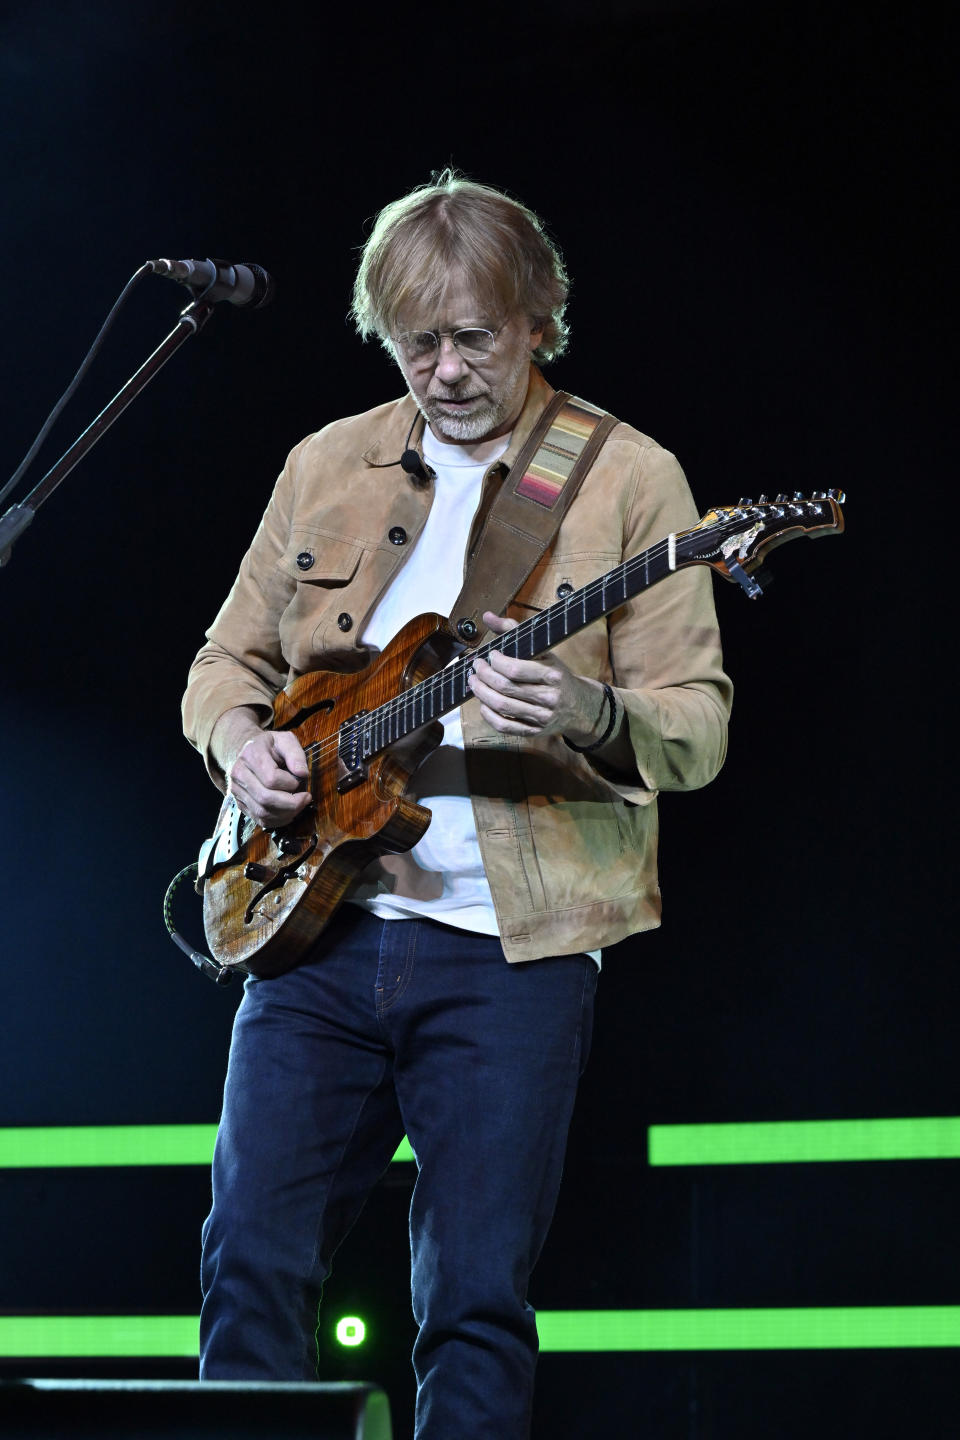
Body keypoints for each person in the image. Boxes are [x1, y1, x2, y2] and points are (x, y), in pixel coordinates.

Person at [181, 172, 733, 1438]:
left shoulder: (628, 479)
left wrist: (587, 714)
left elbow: (696, 727)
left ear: (538, 319)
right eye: (414, 343)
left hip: (510, 953)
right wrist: (238, 745)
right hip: (312, 934)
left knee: (475, 1301)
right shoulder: (329, 463)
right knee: (248, 1266)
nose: (442, 371)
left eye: (472, 338)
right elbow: (225, 666)